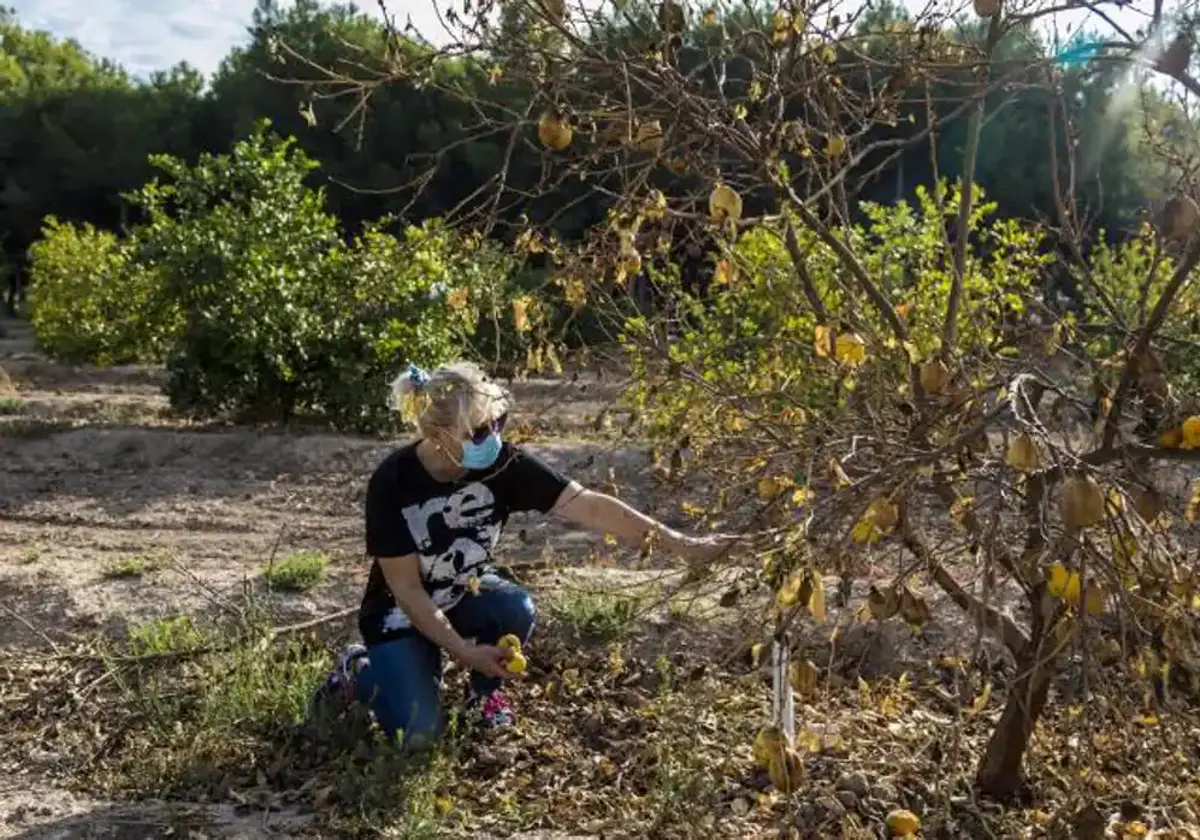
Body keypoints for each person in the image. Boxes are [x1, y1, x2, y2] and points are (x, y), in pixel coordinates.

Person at [308, 361, 736, 748]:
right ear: (437, 436)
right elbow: (405, 589)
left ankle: (483, 695)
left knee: (515, 607)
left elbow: (589, 505)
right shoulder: (393, 483)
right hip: (400, 614)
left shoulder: (504, 466)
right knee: (419, 738)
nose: (492, 438)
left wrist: (684, 547)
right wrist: (461, 649)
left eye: (498, 422)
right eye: (476, 431)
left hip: (464, 592)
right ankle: (357, 672)